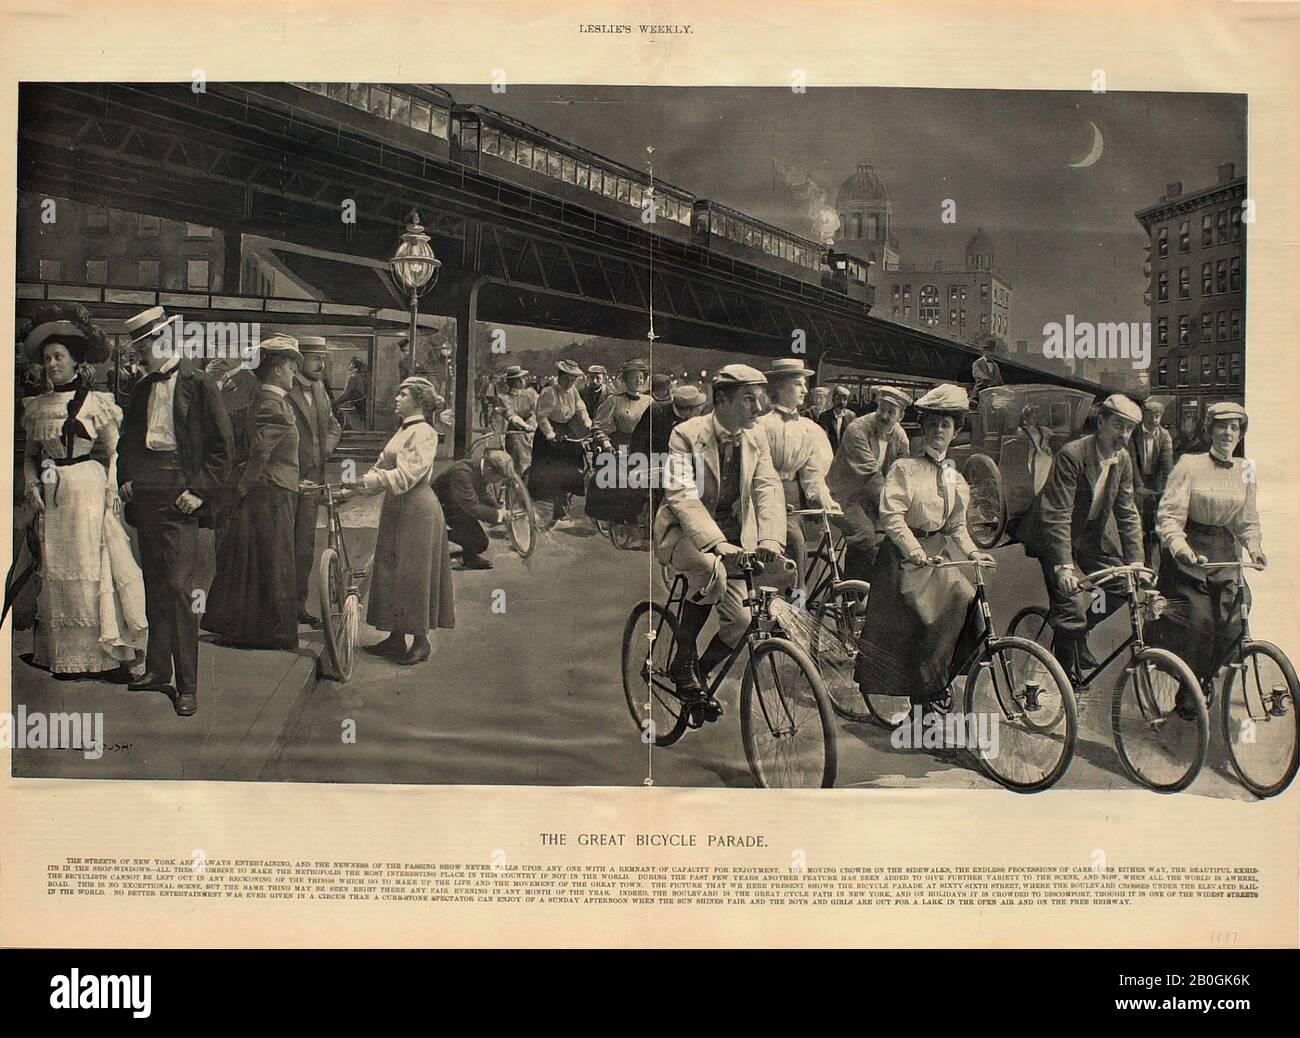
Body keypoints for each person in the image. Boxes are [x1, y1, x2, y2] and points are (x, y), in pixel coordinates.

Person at [20, 304, 148, 679]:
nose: (51, 365)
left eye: (58, 357)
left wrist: (111, 489)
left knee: (92, 569)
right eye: (47, 359)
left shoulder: (96, 403)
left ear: (76, 362)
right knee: (57, 569)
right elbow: (30, 456)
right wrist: (30, 483)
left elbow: (114, 451)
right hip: (53, 495)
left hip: (90, 490)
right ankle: (63, 657)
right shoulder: (38, 406)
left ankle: (103, 655)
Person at [117, 306, 234, 716]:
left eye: (144, 346)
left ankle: (187, 685)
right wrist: (126, 477)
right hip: (147, 493)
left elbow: (223, 450)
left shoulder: (199, 383)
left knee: (180, 590)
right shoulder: (144, 386)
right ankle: (156, 669)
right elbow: (127, 441)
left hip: (181, 492)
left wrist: (199, 492)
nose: (140, 354)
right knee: (154, 582)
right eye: (139, 347)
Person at [854, 385, 997, 719]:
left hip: (936, 553)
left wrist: (973, 553)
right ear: (923, 429)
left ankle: (937, 680)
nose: (937, 432)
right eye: (931, 424)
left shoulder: (954, 477)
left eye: (945, 425)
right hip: (903, 559)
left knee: (964, 596)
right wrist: (914, 550)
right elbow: (891, 517)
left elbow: (956, 526)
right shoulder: (904, 468)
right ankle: (920, 698)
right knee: (925, 615)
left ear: (955, 431)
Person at [653, 365, 786, 705]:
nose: (758, 409)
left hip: (735, 537)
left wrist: (770, 537)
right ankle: (682, 663)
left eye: (760, 400)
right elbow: (681, 494)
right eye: (749, 400)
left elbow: (767, 486)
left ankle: (701, 669)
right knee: (709, 568)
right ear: (722, 400)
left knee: (744, 619)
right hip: (683, 532)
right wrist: (716, 543)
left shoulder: (756, 437)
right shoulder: (685, 434)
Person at [1016, 393, 1146, 683]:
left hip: (1087, 537)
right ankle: (1065, 680)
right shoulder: (1072, 455)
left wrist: (1137, 563)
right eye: (1118, 426)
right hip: (1051, 536)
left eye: (1129, 429)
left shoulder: (1122, 460)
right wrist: (1064, 566)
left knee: (1119, 587)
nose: (1123, 435)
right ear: (1101, 422)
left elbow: (1127, 513)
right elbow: (1058, 514)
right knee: (1070, 607)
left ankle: (1080, 632)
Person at [1149, 402, 1265, 695]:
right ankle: (1188, 688)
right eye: (1222, 426)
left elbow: (1246, 519)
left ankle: (1206, 676)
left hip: (1224, 552)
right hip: (1189, 553)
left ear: (1241, 434)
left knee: (1235, 616)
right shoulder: (1189, 463)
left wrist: (1254, 547)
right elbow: (1168, 517)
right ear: (1210, 429)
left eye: (1234, 427)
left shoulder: (1246, 469)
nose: (1228, 433)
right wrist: (1179, 546)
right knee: (1198, 621)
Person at [338, 376, 454, 666]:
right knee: (391, 569)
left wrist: (364, 481)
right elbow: (383, 467)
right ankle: (395, 637)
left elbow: (405, 476)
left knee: (413, 574)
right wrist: (353, 488)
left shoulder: (424, 432)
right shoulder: (402, 430)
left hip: (417, 507)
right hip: (397, 507)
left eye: (403, 394)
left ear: (418, 401)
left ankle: (420, 640)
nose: (396, 398)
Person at [202, 337, 303, 652]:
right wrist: (241, 490)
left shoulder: (271, 401)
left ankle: (250, 630)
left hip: (270, 488)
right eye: (290, 367)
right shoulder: (273, 405)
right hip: (268, 493)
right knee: (270, 560)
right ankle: (271, 634)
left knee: (251, 560)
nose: (293, 374)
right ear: (275, 369)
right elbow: (259, 454)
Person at [756, 358, 840, 582]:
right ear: (780, 387)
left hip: (792, 497)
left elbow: (813, 476)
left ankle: (796, 599)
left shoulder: (809, 430)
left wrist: (825, 500)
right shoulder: (759, 426)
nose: (805, 390)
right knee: (788, 542)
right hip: (760, 496)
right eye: (797, 384)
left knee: (797, 542)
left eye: (805, 384)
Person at [825, 385, 911, 582]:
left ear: (901, 416)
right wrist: (894, 507)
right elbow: (872, 476)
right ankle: (850, 596)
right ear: (876, 406)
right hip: (843, 496)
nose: (885, 416)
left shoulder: (900, 436)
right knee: (864, 536)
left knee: (887, 542)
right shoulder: (857, 429)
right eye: (882, 409)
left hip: (871, 498)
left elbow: (902, 475)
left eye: (892, 412)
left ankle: (868, 594)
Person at [287, 336, 342, 624]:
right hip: (286, 479)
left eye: (323, 358)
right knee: (281, 545)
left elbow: (334, 425)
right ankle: (278, 609)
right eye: (315, 358)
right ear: (299, 360)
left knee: (305, 546)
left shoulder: (320, 388)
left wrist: (325, 449)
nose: (321, 364)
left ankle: (297, 607)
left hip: (312, 480)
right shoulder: (285, 388)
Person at [586, 358, 653, 525]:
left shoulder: (650, 401)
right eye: (634, 377)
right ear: (625, 379)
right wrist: (607, 445)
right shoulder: (614, 401)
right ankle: (619, 517)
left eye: (641, 377)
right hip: (620, 446)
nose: (639, 380)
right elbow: (599, 427)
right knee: (620, 480)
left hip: (644, 446)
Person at [528, 359, 591, 525]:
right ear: (560, 377)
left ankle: (567, 493)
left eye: (573, 380)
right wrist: (550, 434)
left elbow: (581, 409)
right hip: (548, 433)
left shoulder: (574, 392)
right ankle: (557, 508)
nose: (570, 383)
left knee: (576, 458)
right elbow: (542, 417)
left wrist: (588, 423)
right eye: (567, 379)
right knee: (555, 471)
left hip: (565, 429)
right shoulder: (549, 392)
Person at [629, 382, 707, 518]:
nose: (700, 411)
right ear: (687, 410)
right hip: (656, 462)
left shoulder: (696, 419)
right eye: (697, 408)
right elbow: (639, 440)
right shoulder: (656, 412)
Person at [434, 450, 516, 570]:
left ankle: (468, 557)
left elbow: (483, 493)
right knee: (478, 541)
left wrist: (498, 508)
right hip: (443, 507)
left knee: (480, 542)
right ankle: (438, 535)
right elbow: (471, 507)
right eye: (498, 478)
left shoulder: (480, 469)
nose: (498, 482)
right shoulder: (462, 473)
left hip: (457, 504)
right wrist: (498, 514)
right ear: (489, 469)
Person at [1128, 397, 1175, 569]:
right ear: (1143, 415)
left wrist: (1166, 489)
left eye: (1157, 416)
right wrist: (1139, 487)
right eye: (1151, 416)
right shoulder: (1133, 433)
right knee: (1135, 522)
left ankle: (1152, 562)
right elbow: (1131, 461)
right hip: (1134, 479)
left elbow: (1167, 464)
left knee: (1154, 524)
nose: (1154, 420)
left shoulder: (1164, 436)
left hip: (1154, 482)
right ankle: (1136, 559)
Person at [499, 365, 538, 477]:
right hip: (516, 432)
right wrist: (525, 426)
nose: (523, 381)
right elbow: (511, 416)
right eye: (519, 379)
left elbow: (538, 410)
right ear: (513, 382)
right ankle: (517, 488)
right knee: (521, 462)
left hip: (532, 429)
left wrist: (533, 423)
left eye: (522, 378)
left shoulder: (530, 393)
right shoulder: (504, 398)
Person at [1019, 403, 1056, 497]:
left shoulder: (1040, 430)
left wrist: (1047, 448)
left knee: (1049, 459)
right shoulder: (1021, 430)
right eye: (1032, 418)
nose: (1034, 420)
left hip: (1040, 452)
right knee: (1042, 462)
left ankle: (1045, 488)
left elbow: (1043, 443)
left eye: (1035, 418)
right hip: (1029, 453)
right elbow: (1022, 444)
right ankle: (1037, 490)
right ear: (1025, 418)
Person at [817, 384, 857, 451]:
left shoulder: (851, 416)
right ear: (833, 400)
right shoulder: (825, 416)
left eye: (844, 399)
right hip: (829, 451)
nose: (842, 402)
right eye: (838, 399)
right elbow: (822, 437)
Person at [336, 356, 369, 428]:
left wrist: (336, 401)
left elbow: (346, 395)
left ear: (353, 365)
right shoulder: (362, 376)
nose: (349, 364)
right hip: (361, 403)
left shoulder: (353, 377)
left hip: (355, 403)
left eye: (350, 363)